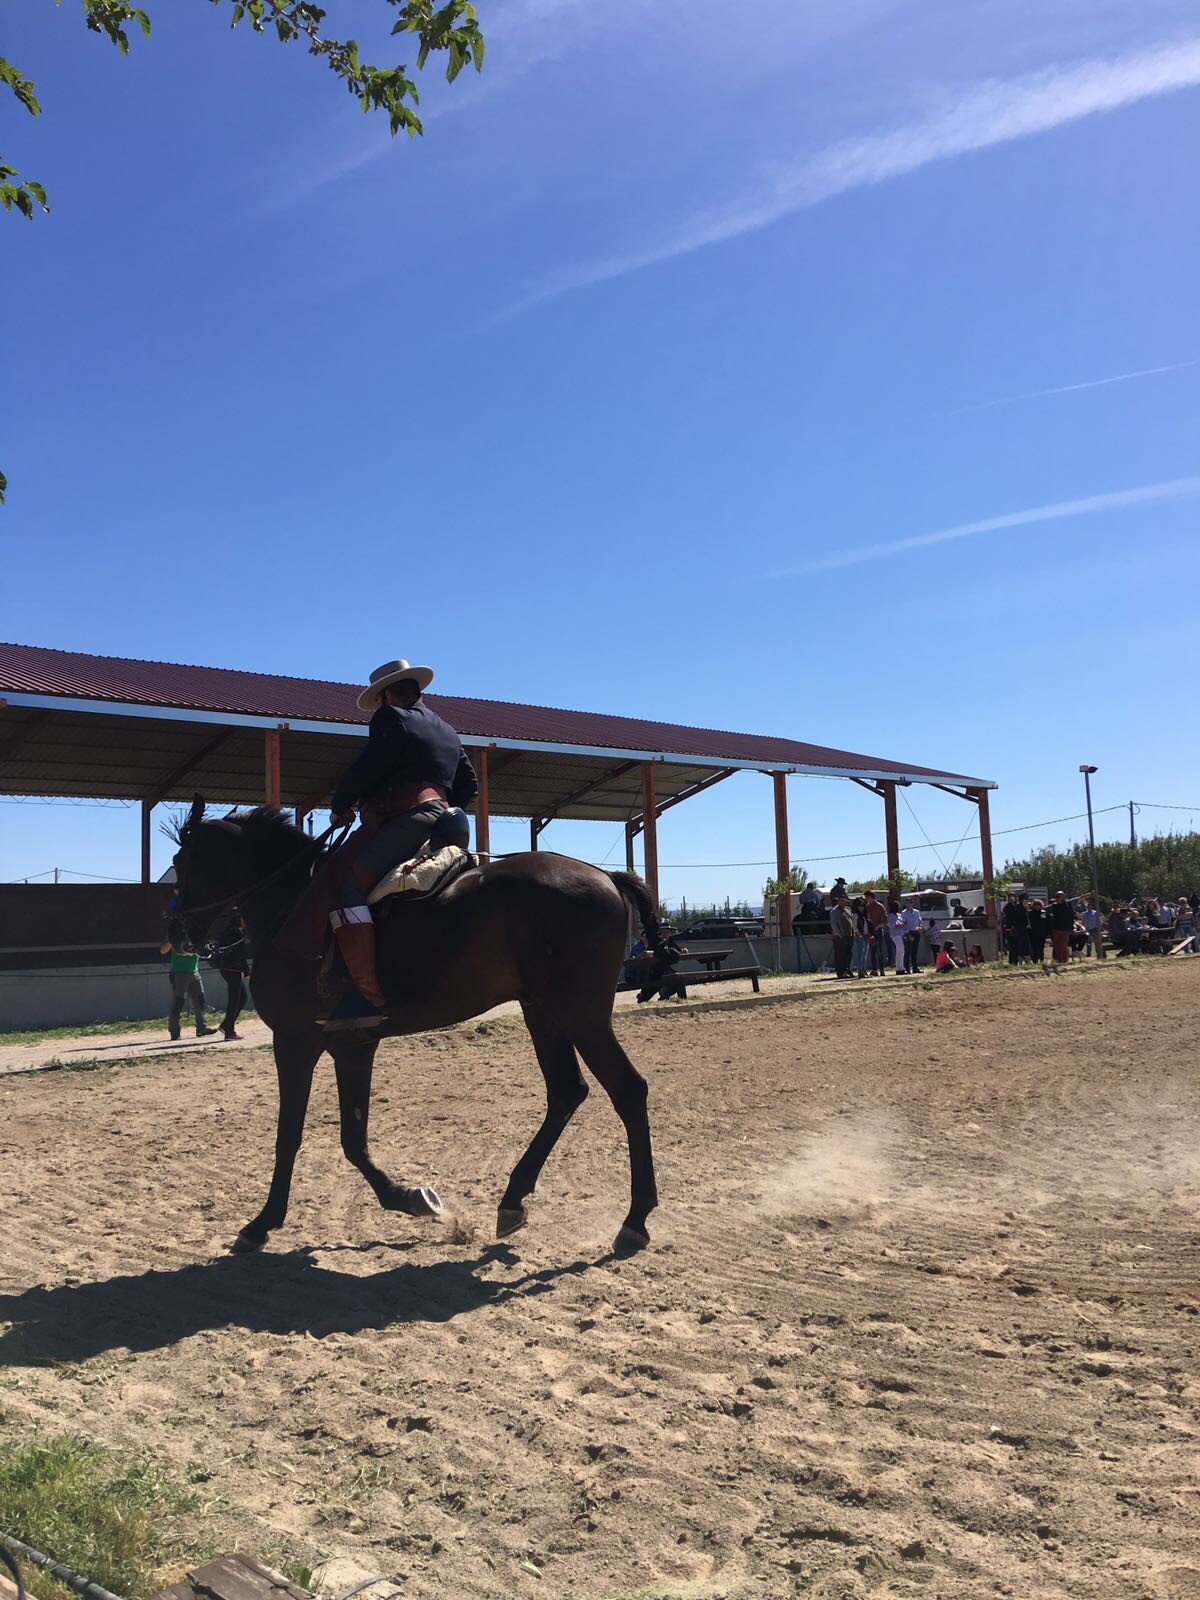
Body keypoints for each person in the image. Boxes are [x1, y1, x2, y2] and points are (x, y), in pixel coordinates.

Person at [279, 657, 478, 1031]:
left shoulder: (390, 718)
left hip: (403, 819)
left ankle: (364, 994)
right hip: (446, 823)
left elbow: (370, 766)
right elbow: (469, 785)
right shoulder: (448, 730)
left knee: (345, 887)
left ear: (386, 694)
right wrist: (444, 811)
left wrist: (341, 804)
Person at [160, 935, 217, 1041]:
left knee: (200, 1001)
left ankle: (202, 1028)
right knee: (178, 1002)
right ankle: (174, 1031)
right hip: (178, 973)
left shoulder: (196, 936)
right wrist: (172, 940)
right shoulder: (176, 937)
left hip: (194, 972)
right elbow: (163, 951)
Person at [212, 915, 251, 1040]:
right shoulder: (235, 932)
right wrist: (246, 971)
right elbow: (240, 953)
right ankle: (229, 1031)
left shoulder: (229, 931)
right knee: (235, 1000)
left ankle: (226, 1025)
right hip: (232, 968)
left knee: (242, 997)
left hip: (227, 968)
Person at [864, 890, 889, 974]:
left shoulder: (879, 906)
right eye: (866, 898)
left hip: (877, 931)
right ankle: (874, 969)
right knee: (872, 951)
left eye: (868, 897)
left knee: (879, 951)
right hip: (870, 931)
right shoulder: (867, 907)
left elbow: (885, 920)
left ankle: (882, 970)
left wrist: (878, 926)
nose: (866, 899)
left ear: (872, 897)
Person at [829, 897, 855, 979]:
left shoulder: (847, 910)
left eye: (844, 900)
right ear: (838, 901)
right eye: (841, 900)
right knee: (840, 955)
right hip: (840, 937)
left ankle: (847, 970)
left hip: (849, 935)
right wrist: (839, 934)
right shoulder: (834, 911)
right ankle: (840, 972)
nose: (843, 902)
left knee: (848, 954)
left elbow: (851, 921)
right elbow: (834, 924)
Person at [1002, 892, 1030, 965]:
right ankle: (1012, 962)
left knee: (1018, 946)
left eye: (1013, 896)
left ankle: (1017, 961)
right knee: (1013, 947)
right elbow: (1010, 917)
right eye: (1010, 897)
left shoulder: (1019, 906)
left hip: (1018, 930)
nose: (1012, 898)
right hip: (1010, 929)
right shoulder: (1007, 907)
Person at [1047, 890, 1075, 965]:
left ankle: (1063, 960)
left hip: (1065, 929)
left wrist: (1071, 927)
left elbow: (1071, 916)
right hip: (1056, 929)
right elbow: (1046, 911)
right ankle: (1057, 960)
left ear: (1064, 896)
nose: (1059, 898)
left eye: (1060, 896)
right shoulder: (1053, 906)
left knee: (1063, 945)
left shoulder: (1068, 904)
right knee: (1056, 945)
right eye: (1057, 896)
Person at [850, 896, 871, 978]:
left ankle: (864, 970)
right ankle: (860, 971)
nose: (862, 908)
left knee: (865, 954)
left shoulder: (863, 915)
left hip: (865, 935)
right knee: (860, 954)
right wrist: (860, 935)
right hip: (860, 936)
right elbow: (854, 927)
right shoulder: (855, 915)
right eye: (860, 906)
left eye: (863, 906)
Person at [901, 900, 924, 973]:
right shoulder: (903, 913)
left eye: (909, 903)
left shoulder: (916, 912)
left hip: (916, 932)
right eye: (906, 903)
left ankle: (915, 968)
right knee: (907, 951)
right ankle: (907, 968)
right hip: (909, 932)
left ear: (912, 903)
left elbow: (920, 921)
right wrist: (908, 934)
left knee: (915, 951)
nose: (907, 905)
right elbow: (904, 925)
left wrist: (920, 927)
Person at [887, 898, 908, 975]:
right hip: (895, 935)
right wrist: (902, 925)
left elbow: (903, 922)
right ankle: (899, 969)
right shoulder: (890, 915)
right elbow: (893, 925)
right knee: (900, 951)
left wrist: (903, 925)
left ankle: (901, 968)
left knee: (901, 952)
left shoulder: (899, 915)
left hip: (901, 934)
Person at [1027, 897, 1047, 964]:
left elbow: (1047, 922)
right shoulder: (1030, 913)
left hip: (1042, 933)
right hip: (1033, 933)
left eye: (1038, 904)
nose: (1037, 906)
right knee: (1034, 948)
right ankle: (1035, 961)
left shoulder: (1043, 913)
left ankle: (1041, 960)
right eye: (1035, 904)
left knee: (1041, 948)